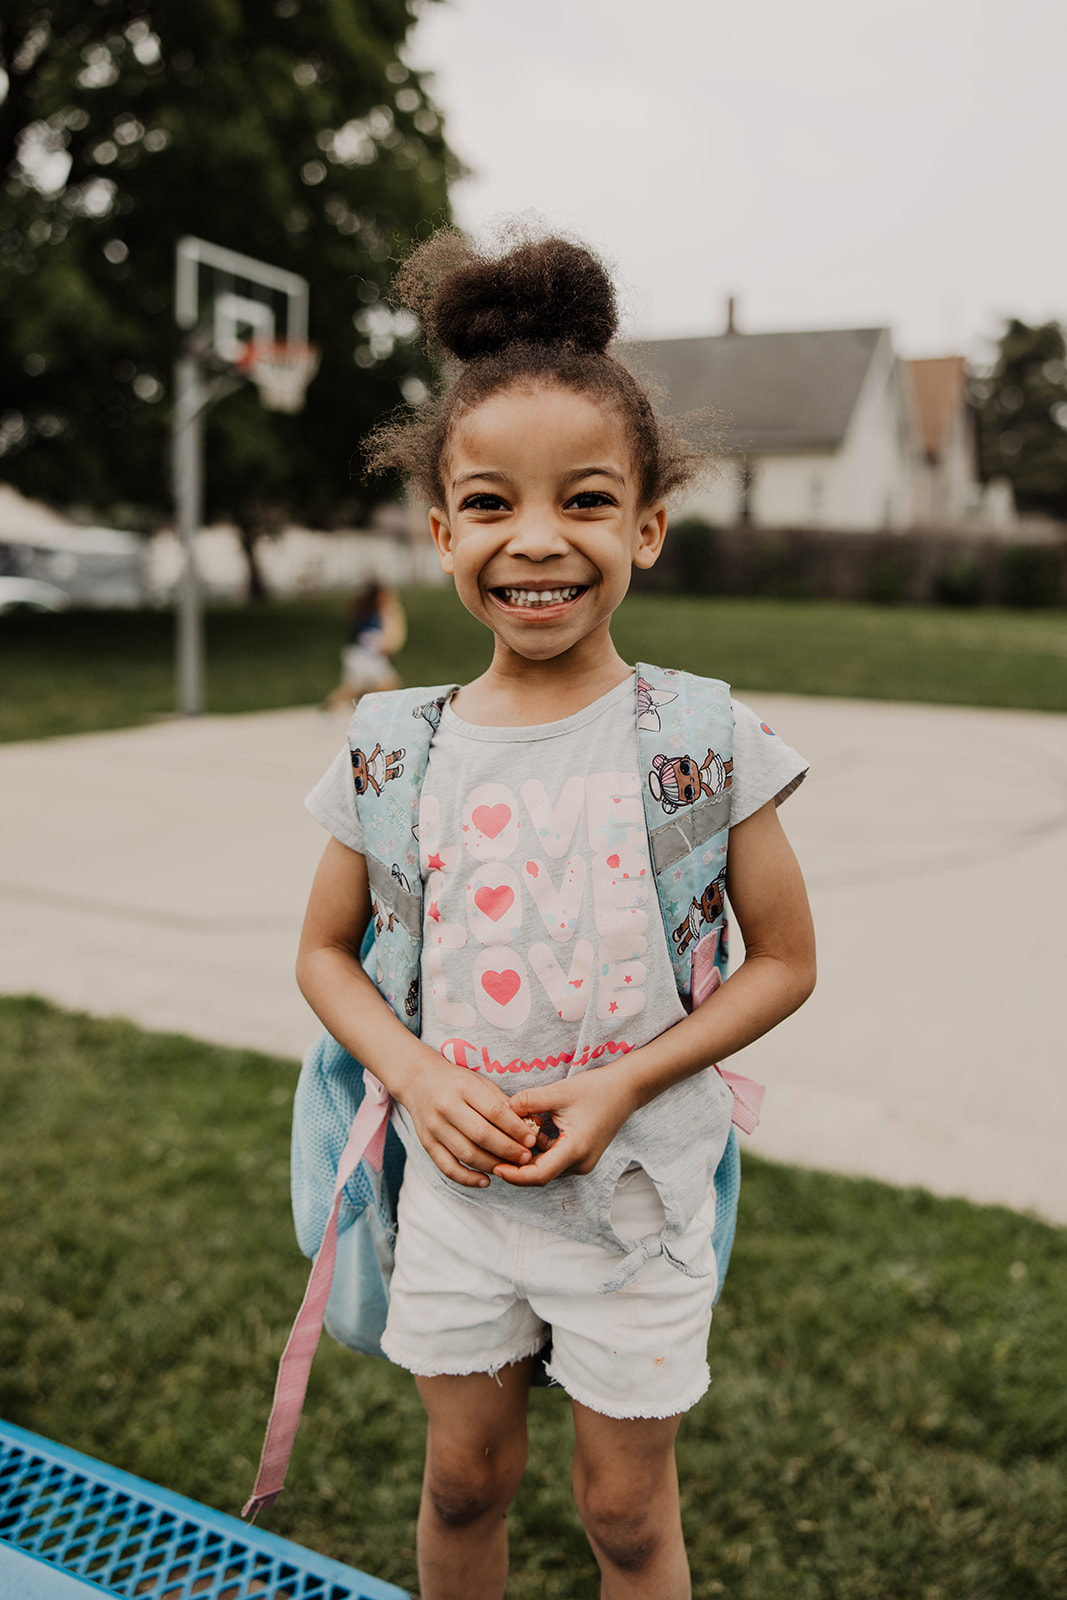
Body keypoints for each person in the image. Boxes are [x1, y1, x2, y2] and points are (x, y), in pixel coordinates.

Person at [298, 229, 816, 1600]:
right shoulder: (391, 743)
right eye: (489, 506)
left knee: (626, 1519)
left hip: (636, 1193)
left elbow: (785, 963)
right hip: (456, 1196)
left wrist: (624, 1080)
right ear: (442, 531)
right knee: (462, 1483)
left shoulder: (702, 737)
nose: (536, 540)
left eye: (585, 501)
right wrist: (408, 1073)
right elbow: (322, 952)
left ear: (645, 523)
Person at [324, 580, 406, 709]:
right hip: (365, 656)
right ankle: (350, 705)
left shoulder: (368, 611)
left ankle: (343, 705)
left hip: (362, 655)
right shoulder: (375, 614)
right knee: (383, 685)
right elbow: (380, 637)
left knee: (358, 688)